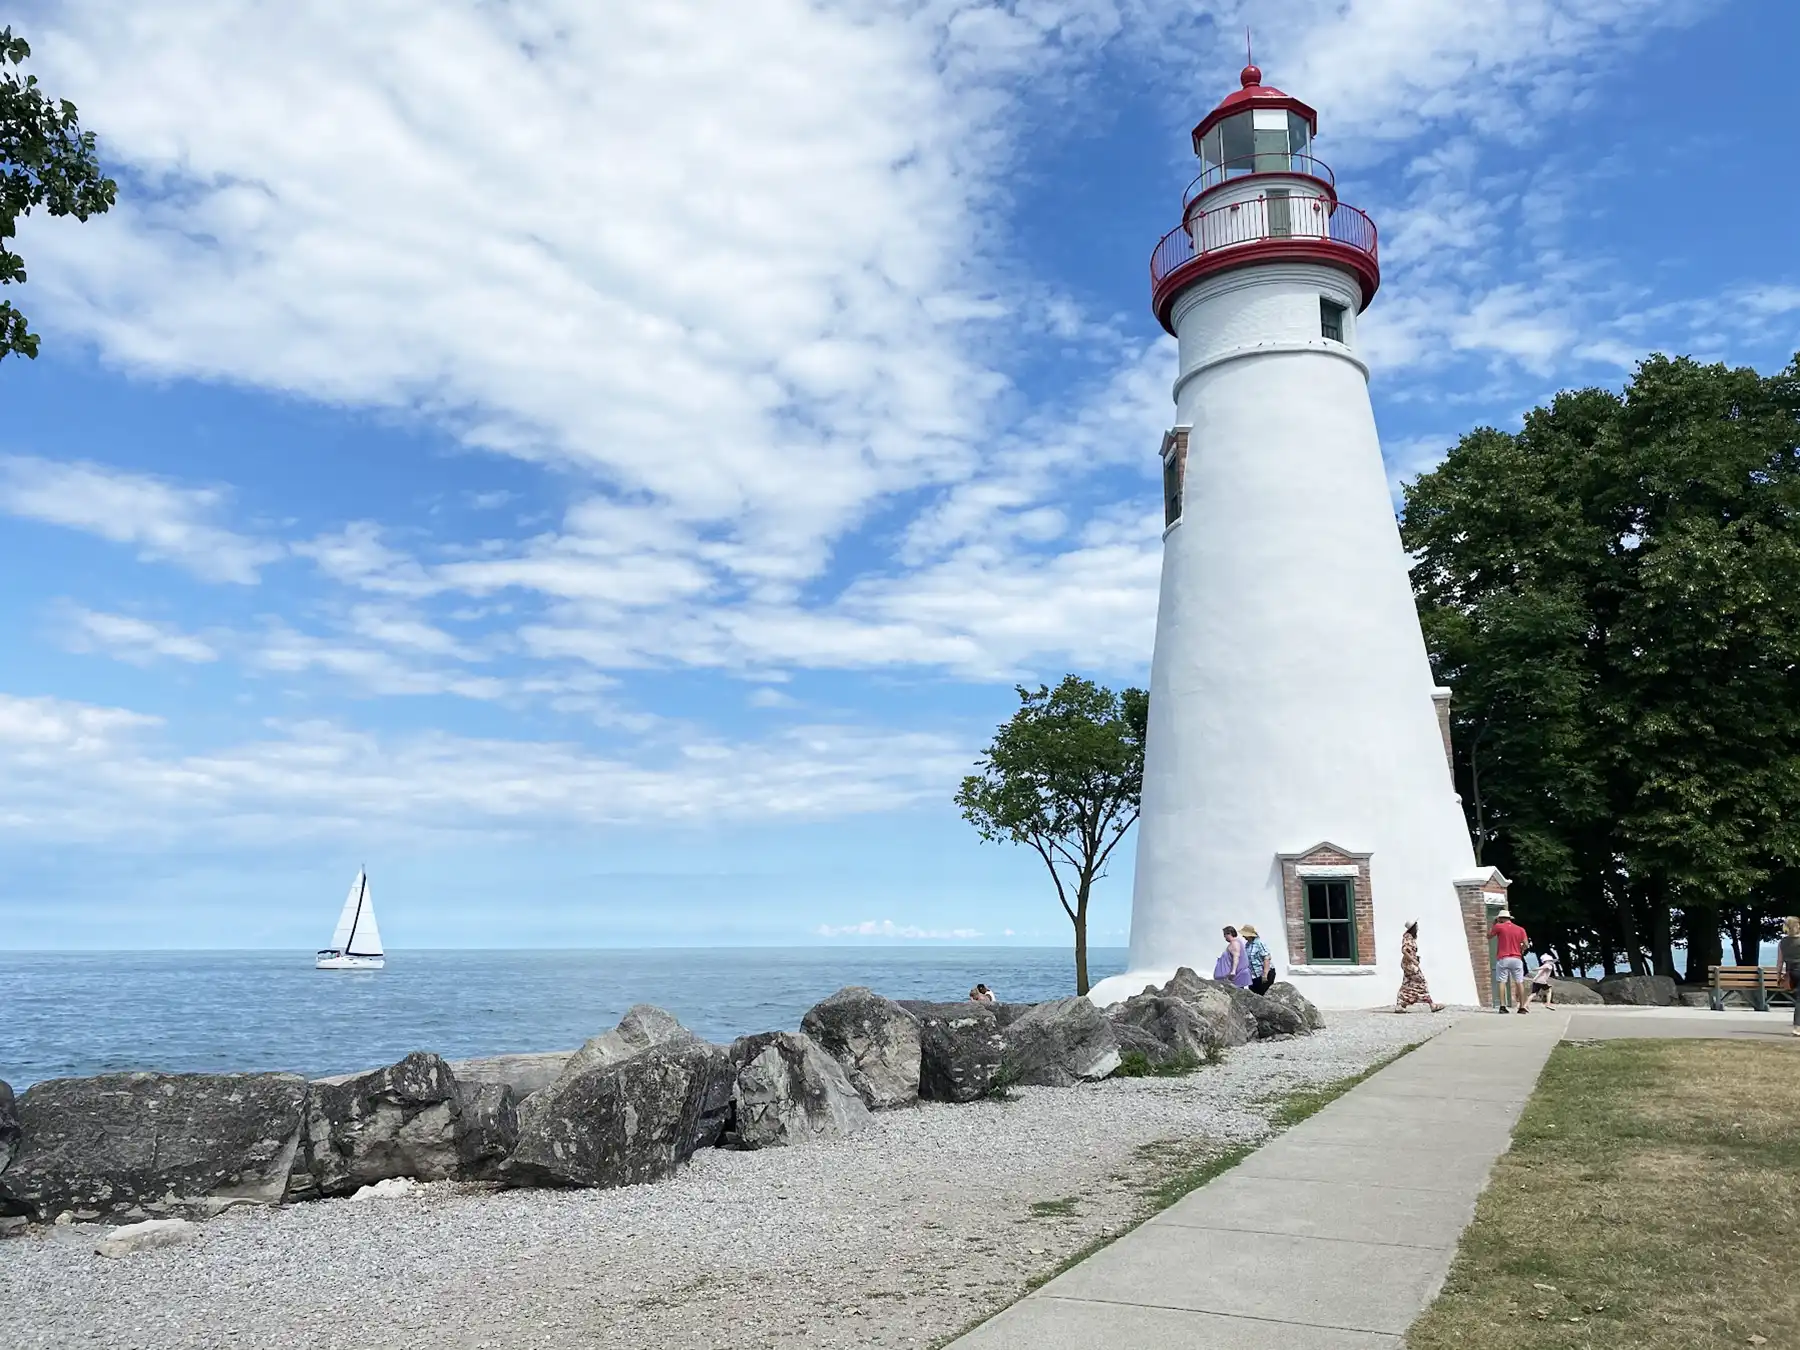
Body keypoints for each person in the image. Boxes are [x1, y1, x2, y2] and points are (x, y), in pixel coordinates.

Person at [1393, 920, 1444, 1013]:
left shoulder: (1409, 937)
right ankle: (1432, 1005)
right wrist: (1414, 960)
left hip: (1408, 964)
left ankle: (1400, 1004)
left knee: (1407, 983)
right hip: (1410, 965)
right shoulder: (1408, 937)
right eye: (1416, 927)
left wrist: (1415, 957)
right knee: (1421, 981)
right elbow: (1404, 950)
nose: (1417, 929)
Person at [1491, 910, 1530, 1013]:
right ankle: (1521, 1007)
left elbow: (1488, 935)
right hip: (1517, 958)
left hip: (1503, 958)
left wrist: (1494, 923)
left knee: (1502, 981)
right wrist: (1521, 950)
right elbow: (1526, 944)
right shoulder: (1520, 929)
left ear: (1500, 918)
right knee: (1519, 982)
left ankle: (1502, 1006)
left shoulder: (1499, 927)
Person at [1781, 917, 1800, 1038]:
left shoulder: (1783, 942)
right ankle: (1797, 1027)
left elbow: (1779, 961)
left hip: (1790, 972)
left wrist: (1778, 975)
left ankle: (1797, 1026)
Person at [1242, 924, 1275, 995]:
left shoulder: (1259, 943)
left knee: (1264, 994)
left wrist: (1265, 974)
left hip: (1263, 974)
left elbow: (1266, 958)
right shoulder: (1247, 945)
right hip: (1254, 976)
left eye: (1245, 935)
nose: (1243, 936)